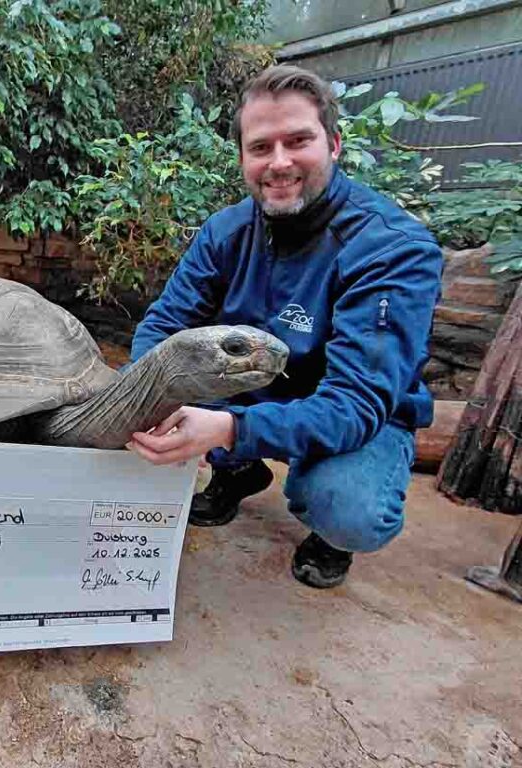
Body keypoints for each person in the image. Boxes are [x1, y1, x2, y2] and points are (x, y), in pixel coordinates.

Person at [125, 65, 443, 589]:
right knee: (155, 378)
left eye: (298, 141)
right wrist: (146, 392)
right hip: (253, 392)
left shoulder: (392, 248)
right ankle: (239, 470)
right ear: (243, 157)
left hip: (351, 413)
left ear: (335, 144)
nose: (279, 163)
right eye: (260, 147)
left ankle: (329, 535)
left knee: (348, 507)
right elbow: (164, 324)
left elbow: (354, 404)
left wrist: (228, 429)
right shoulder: (225, 231)